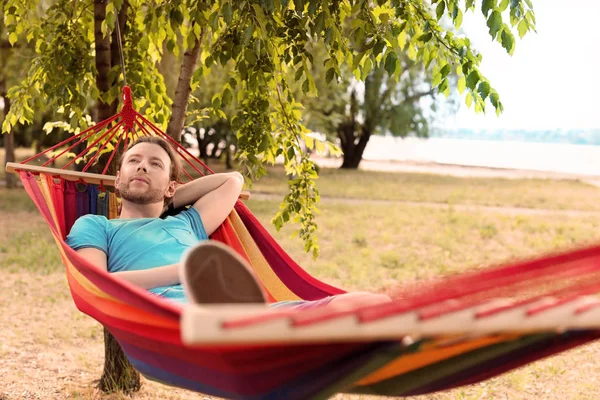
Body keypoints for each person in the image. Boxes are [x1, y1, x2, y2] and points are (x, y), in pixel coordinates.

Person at [66, 136, 391, 310]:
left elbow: (232, 181)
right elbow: (96, 283)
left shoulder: (188, 224)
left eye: (155, 164)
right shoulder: (96, 226)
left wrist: (167, 200)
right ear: (116, 178)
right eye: (133, 162)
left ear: (170, 185)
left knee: (371, 304)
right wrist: (185, 271)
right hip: (172, 315)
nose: (142, 168)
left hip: (234, 311)